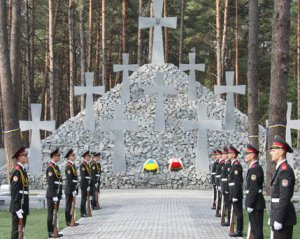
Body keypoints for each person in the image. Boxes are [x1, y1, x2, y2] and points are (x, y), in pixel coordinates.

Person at [269, 135, 297, 239]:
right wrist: (273, 217)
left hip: (283, 218)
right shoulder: (280, 169)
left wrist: (279, 219)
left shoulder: (285, 170)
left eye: (273, 150)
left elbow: (284, 197)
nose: (271, 153)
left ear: (281, 152)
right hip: (277, 214)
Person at [244, 144, 265, 239]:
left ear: (252, 155)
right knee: (255, 228)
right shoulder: (253, 168)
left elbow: (253, 189)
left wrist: (250, 204)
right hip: (255, 203)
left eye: (247, 153)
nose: (245, 155)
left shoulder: (255, 169)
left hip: (255, 204)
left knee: (257, 230)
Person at [10, 146, 29, 239]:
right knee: (16, 230)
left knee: (21, 229)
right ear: (19, 157)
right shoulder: (17, 171)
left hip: (23, 204)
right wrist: (17, 208)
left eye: (26, 155)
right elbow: (14, 191)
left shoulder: (22, 170)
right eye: (24, 155)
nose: (26, 156)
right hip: (18, 206)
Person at [46, 148, 63, 238]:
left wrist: (59, 193)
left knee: (55, 213)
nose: (59, 157)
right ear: (53, 156)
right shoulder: (50, 168)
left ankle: (55, 230)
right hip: (52, 194)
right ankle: (50, 231)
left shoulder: (56, 167)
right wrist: (54, 195)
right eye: (58, 155)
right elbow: (51, 183)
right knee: (51, 213)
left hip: (57, 193)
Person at [228, 145, 243, 237]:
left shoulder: (236, 166)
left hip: (235, 192)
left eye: (230, 153)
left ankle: (239, 230)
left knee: (238, 212)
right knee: (236, 212)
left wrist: (235, 195)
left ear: (234, 154)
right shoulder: (233, 164)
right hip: (233, 190)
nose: (228, 154)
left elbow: (237, 182)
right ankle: (237, 229)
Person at [64, 149, 79, 226]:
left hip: (73, 188)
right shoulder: (68, 166)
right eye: (72, 155)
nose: (74, 156)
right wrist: (73, 189)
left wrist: (76, 188)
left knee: (72, 205)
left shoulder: (72, 165)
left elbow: (75, 178)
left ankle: (72, 219)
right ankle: (68, 221)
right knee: (68, 205)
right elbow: (70, 179)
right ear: (69, 157)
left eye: (74, 155)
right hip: (69, 188)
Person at [220, 147, 231, 226]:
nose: (222, 155)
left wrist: (226, 188)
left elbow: (229, 177)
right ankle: (228, 218)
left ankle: (230, 220)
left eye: (224, 154)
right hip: (224, 185)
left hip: (227, 186)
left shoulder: (229, 164)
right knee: (226, 203)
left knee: (229, 204)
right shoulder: (225, 163)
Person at [80, 150, 92, 217]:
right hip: (84, 184)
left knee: (86, 198)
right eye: (88, 156)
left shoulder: (87, 164)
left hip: (87, 183)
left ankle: (85, 211)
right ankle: (83, 212)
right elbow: (83, 176)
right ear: (85, 157)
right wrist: (87, 185)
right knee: (83, 199)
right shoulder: (83, 165)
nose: (89, 157)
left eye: (90, 156)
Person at [215, 149, 224, 217]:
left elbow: (222, 175)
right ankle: (218, 209)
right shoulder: (219, 162)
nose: (216, 156)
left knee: (221, 198)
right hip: (218, 183)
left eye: (218, 154)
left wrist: (219, 184)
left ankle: (220, 210)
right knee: (218, 197)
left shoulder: (222, 163)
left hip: (221, 184)